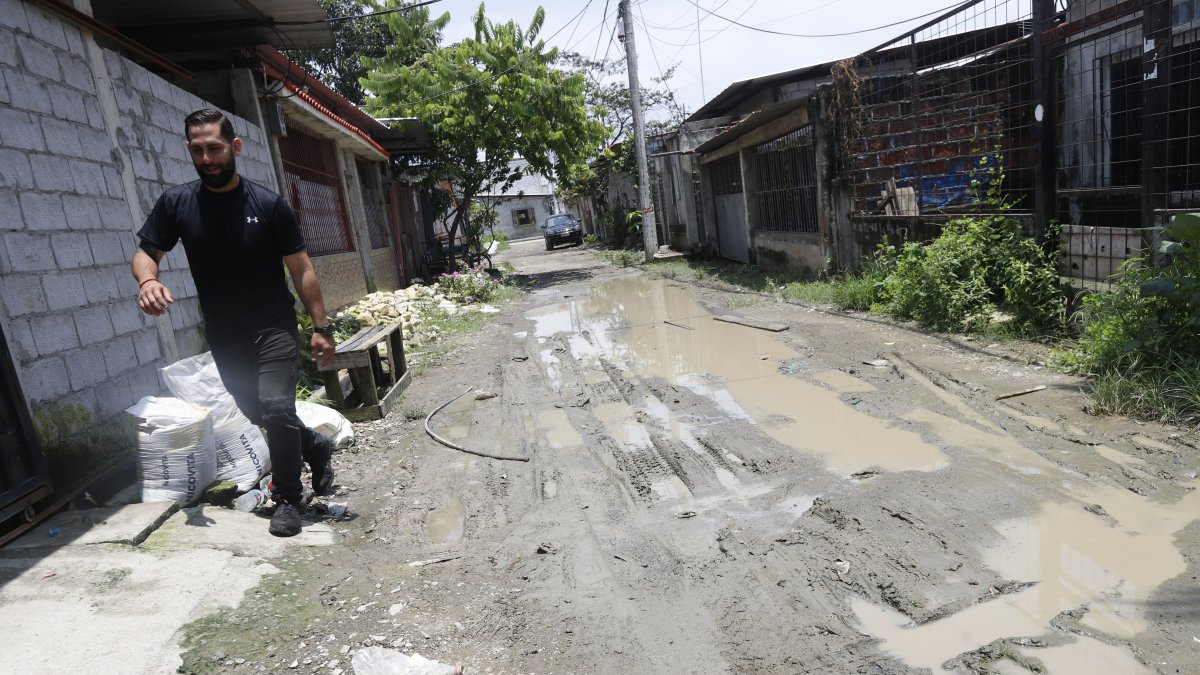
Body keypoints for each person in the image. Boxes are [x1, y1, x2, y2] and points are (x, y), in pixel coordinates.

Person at [132, 108, 337, 537]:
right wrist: (147, 279)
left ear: (235, 148)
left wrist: (321, 327)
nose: (206, 158)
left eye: (214, 148)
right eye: (197, 149)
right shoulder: (177, 203)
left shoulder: (267, 204)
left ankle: (286, 498)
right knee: (257, 411)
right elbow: (146, 252)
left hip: (274, 325)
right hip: (225, 334)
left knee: (278, 408)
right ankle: (316, 446)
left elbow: (302, 269)